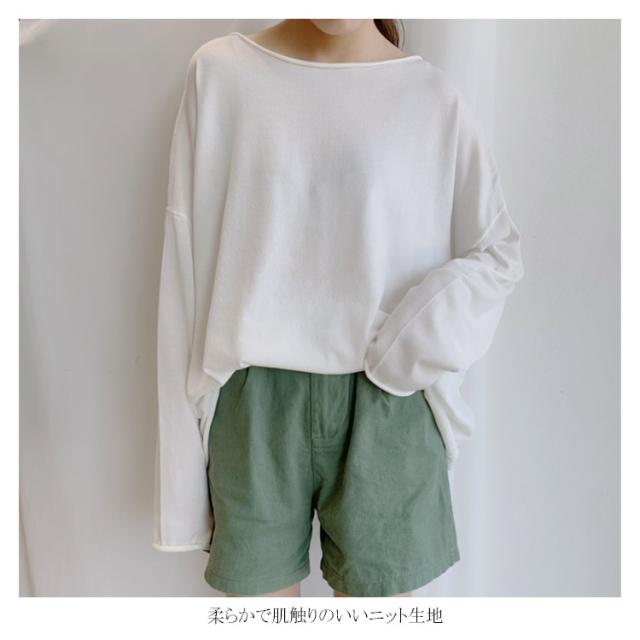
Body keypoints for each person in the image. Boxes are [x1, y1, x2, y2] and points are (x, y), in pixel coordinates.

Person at [152, 19, 524, 598]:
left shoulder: (430, 98)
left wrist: (412, 342)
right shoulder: (221, 74)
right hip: (252, 407)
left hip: (388, 405)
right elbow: (184, 267)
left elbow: (498, 252)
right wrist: (178, 488)